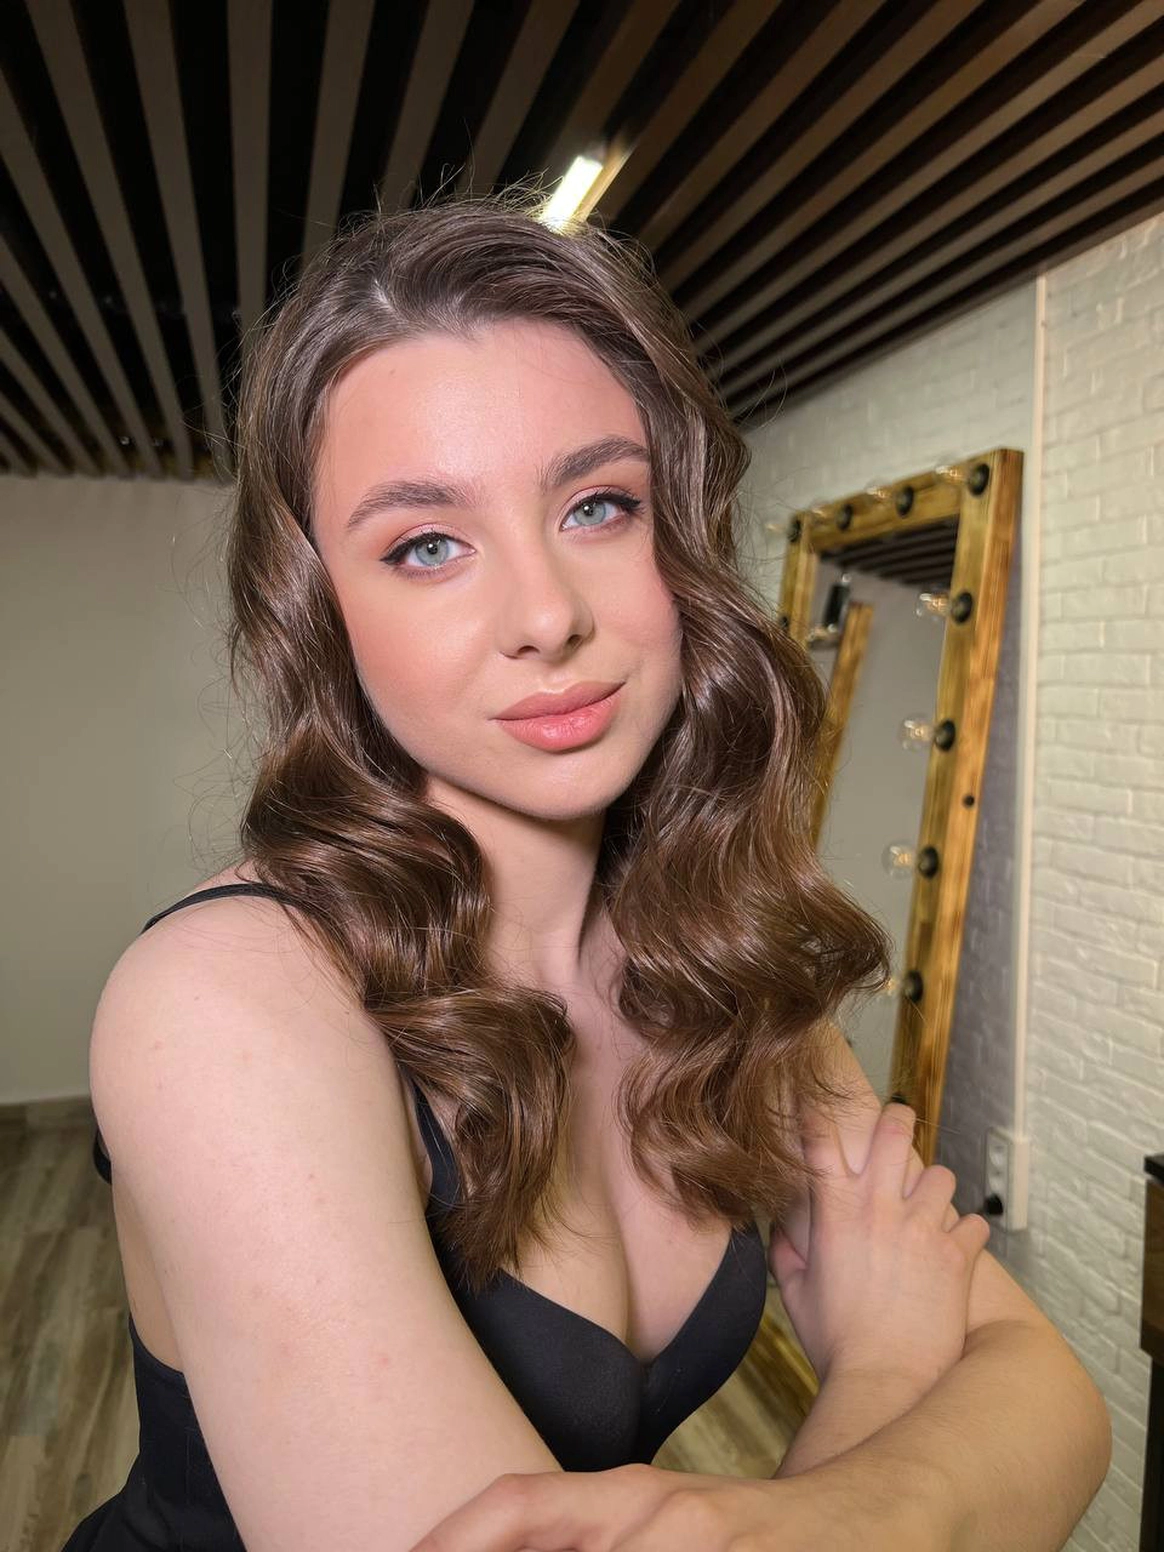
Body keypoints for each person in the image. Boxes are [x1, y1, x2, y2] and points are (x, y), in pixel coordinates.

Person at [65, 188, 1055, 1552]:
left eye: (598, 506)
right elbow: (964, 1398)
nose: (546, 615)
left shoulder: (712, 959)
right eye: (427, 545)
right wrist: (886, 1378)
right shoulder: (228, 1003)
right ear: (320, 614)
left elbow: (1052, 1396)